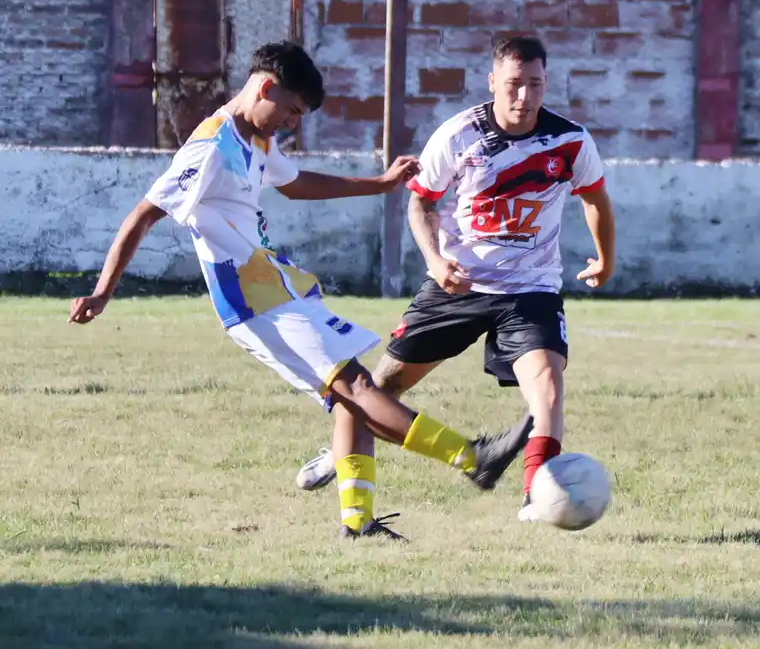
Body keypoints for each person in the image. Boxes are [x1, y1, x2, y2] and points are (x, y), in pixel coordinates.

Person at [68, 41, 529, 541]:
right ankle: (472, 458)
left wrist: (378, 184)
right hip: (251, 302)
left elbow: (296, 183)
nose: (291, 123)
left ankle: (358, 523)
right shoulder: (210, 148)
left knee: (352, 396)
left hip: (277, 288)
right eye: (291, 110)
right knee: (357, 387)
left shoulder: (256, 141)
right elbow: (144, 213)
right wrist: (102, 292)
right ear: (266, 88)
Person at [293, 34, 615, 523]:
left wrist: (604, 259)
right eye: (513, 84)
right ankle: (340, 456)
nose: (524, 96)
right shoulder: (460, 134)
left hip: (530, 291)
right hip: (456, 286)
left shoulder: (570, 141)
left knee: (546, 387)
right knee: (376, 391)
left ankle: (535, 494)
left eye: (535, 84)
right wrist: (437, 261)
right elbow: (420, 200)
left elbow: (595, 199)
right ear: (492, 82)